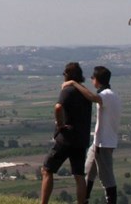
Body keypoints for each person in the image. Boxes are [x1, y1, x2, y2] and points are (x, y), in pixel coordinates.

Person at [65, 65, 122, 204]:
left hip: (104, 143)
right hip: (99, 142)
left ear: (97, 79)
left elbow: (91, 97)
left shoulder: (106, 95)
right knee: (89, 171)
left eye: (92, 78)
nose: (91, 80)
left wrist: (74, 83)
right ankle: (84, 199)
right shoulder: (113, 95)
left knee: (106, 177)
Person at [39, 62, 92, 204]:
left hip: (66, 138)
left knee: (47, 169)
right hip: (81, 139)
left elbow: (58, 107)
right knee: (79, 175)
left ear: (67, 75)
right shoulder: (85, 92)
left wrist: (60, 124)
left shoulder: (68, 91)